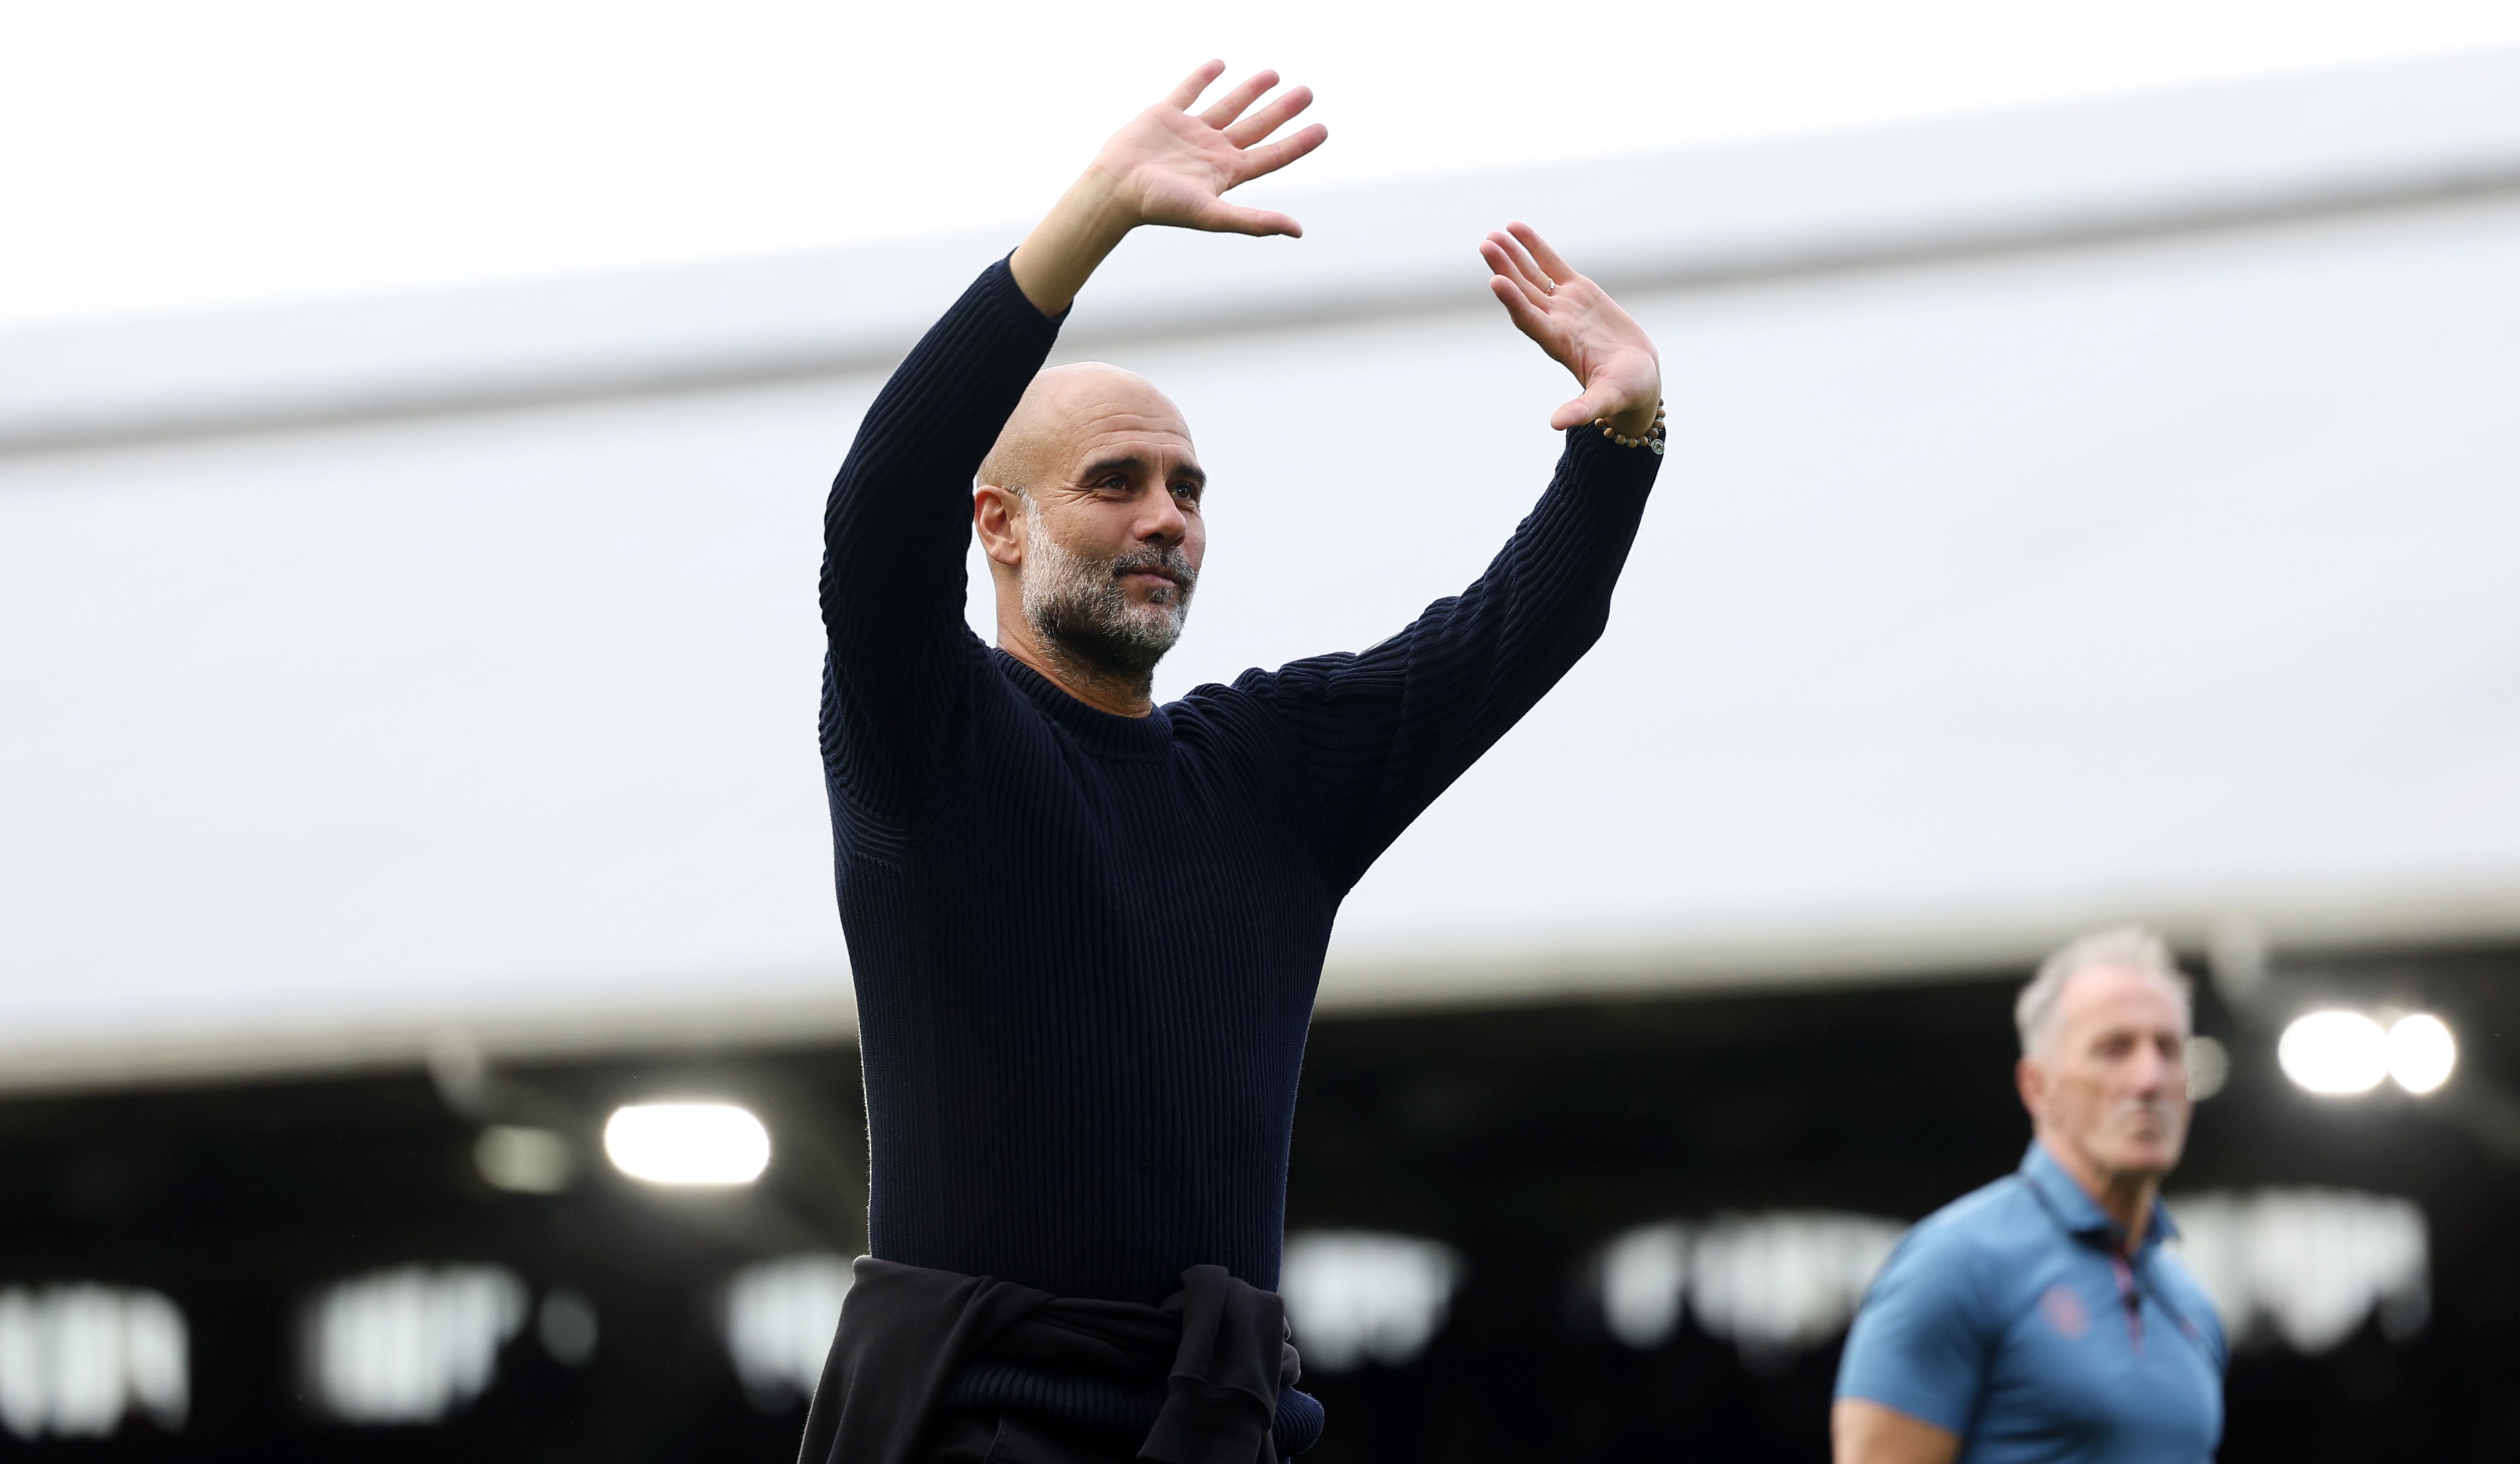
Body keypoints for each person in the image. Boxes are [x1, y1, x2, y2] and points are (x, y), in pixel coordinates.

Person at [800, 60, 1666, 1464]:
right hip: (983, 1427)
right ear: (999, 526)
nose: (1166, 519)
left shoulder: (1270, 772)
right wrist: (1091, 218)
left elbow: (1519, 629)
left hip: (1219, 1429)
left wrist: (1625, 432)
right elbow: (875, 514)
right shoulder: (933, 742)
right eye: (1116, 482)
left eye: (1188, 489)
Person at [1831, 928, 2227, 1464]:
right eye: (2113, 1049)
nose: (2149, 1078)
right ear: (2038, 1087)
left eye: (2169, 1049)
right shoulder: (1954, 1265)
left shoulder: (2192, 1305)